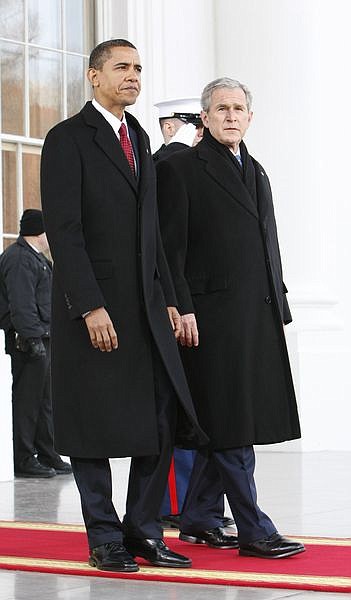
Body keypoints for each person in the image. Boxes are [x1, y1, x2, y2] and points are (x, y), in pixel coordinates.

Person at [40, 39, 207, 574]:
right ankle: (104, 538)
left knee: (157, 422)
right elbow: (65, 232)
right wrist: (89, 305)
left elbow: (153, 234)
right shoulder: (67, 139)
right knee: (92, 426)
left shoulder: (138, 136)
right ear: (93, 76)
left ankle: (142, 532)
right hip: (95, 310)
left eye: (138, 68)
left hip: (146, 309)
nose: (133, 76)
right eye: (121, 67)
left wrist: (172, 302)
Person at [156, 77, 305, 559]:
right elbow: (169, 250)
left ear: (250, 116)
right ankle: (254, 530)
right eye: (221, 108)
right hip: (210, 321)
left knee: (232, 422)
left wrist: (278, 304)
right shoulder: (182, 169)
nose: (231, 115)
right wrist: (182, 306)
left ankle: (199, 516)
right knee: (232, 425)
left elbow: (268, 245)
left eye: (238, 108)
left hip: (256, 316)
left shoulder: (256, 170)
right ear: (205, 116)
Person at [154, 98, 236, 547]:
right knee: (181, 418)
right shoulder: (170, 162)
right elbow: (170, 247)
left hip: (208, 313)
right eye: (193, 124)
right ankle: (176, 504)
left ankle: (200, 508)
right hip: (179, 311)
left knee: (209, 419)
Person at [0, 209, 72, 478]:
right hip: (28, 342)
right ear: (40, 232)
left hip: (43, 337)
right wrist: (31, 338)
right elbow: (21, 304)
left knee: (44, 401)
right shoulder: (19, 259)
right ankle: (24, 459)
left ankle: (47, 452)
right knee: (27, 403)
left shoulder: (36, 259)